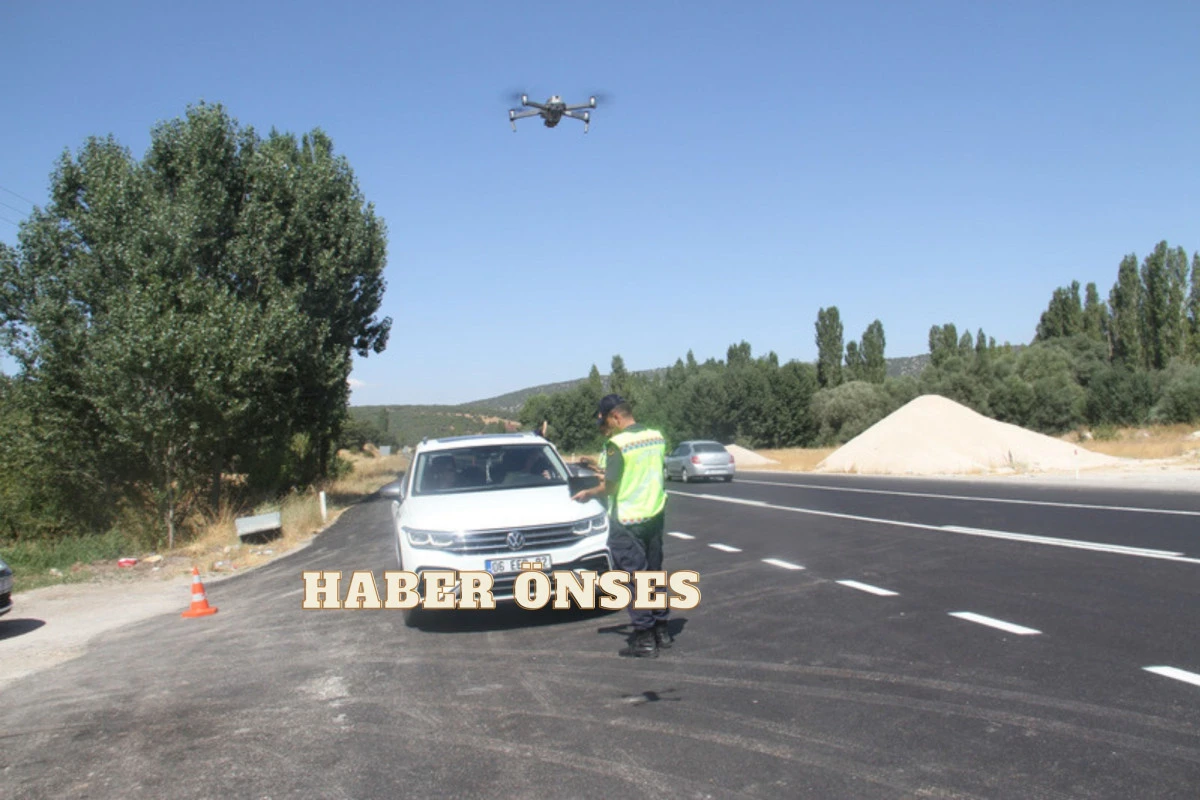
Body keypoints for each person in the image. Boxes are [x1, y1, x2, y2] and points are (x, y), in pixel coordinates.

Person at [572, 394, 671, 658]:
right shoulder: (656, 437)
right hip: (654, 513)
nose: (607, 426)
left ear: (615, 416)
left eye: (606, 421)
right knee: (653, 574)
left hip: (627, 519)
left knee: (633, 577)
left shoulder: (617, 444)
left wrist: (590, 493)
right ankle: (661, 629)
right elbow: (641, 470)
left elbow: (611, 487)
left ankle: (644, 637)